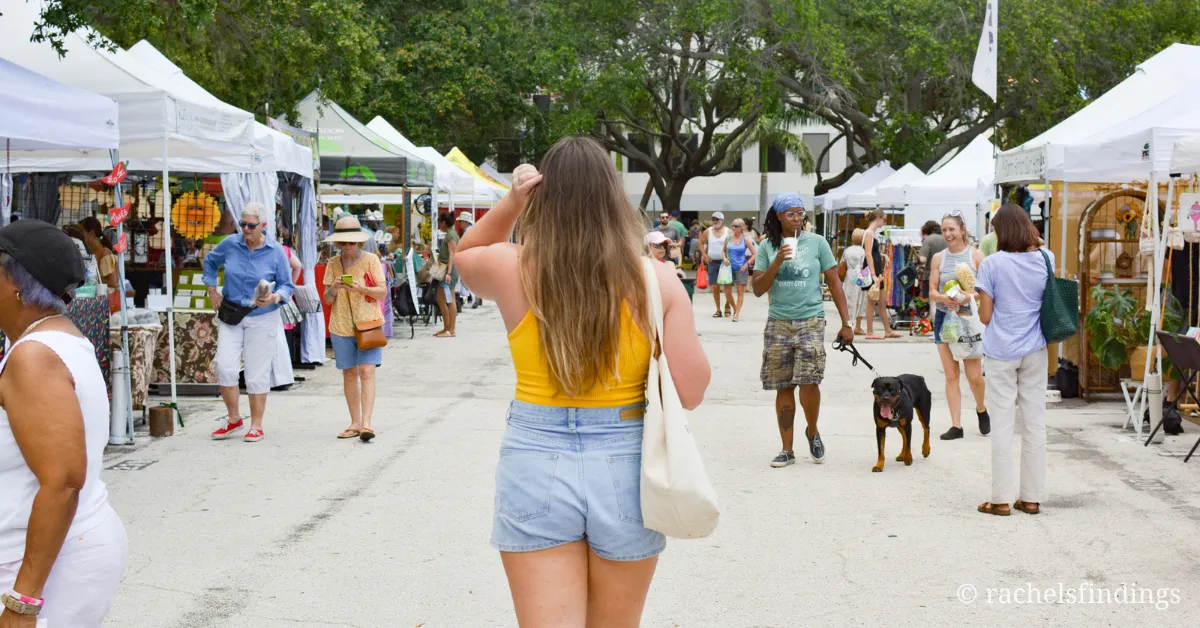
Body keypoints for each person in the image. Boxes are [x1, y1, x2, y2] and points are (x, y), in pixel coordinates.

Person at [456, 137, 711, 626]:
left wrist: (513, 200)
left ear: (543, 197)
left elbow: (468, 252)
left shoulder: (513, 267)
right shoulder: (655, 279)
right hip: (626, 459)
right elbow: (693, 391)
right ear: (615, 198)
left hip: (535, 455)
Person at [0, 220, 127, 626]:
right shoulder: (60, 338)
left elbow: (63, 480)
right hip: (61, 550)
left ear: (18, 286)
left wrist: (24, 600)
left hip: (43, 565)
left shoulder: (34, 356)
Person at [753, 193, 855, 467]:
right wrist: (777, 262)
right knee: (783, 386)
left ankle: (812, 431)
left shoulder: (818, 243)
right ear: (778, 216)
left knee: (810, 381)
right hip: (778, 321)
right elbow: (757, 289)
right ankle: (787, 449)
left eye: (800, 213)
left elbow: (834, 282)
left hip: (811, 318)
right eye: (791, 214)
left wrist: (847, 323)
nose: (797, 219)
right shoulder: (767, 247)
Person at [974, 204, 1052, 516]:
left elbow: (986, 316)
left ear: (1000, 232)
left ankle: (1001, 499)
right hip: (1035, 348)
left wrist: (976, 297)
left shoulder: (991, 264)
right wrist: (1035, 239)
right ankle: (1031, 498)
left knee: (1003, 425)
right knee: (1035, 423)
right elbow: (1041, 247)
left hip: (1001, 351)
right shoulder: (1047, 259)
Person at [202, 202, 296, 443]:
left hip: (262, 315)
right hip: (232, 312)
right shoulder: (230, 244)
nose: (245, 229)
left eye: (251, 225)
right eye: (242, 223)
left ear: (263, 225)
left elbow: (287, 285)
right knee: (225, 366)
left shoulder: (276, 252)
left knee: (256, 373)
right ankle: (234, 419)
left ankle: (256, 424)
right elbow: (210, 262)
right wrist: (213, 290)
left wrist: (275, 297)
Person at [322, 216, 387, 442]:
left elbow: (382, 292)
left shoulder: (371, 260)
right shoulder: (333, 264)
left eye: (351, 241)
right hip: (340, 325)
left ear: (358, 241)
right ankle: (355, 422)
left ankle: (367, 423)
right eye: (343, 242)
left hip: (368, 323)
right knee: (349, 373)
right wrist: (334, 288)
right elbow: (327, 300)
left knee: (367, 371)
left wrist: (362, 289)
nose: (347, 246)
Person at [928, 211, 990, 441]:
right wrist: (945, 298)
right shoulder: (938, 258)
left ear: (962, 230)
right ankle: (956, 425)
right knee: (951, 375)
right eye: (944, 230)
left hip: (968, 320)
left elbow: (985, 289)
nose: (947, 234)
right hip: (945, 320)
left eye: (952, 229)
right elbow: (932, 291)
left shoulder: (976, 256)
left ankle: (981, 408)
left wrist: (967, 296)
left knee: (974, 376)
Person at [861, 209, 900, 339]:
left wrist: (882, 256)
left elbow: (872, 252)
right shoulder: (869, 233)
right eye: (884, 219)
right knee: (872, 301)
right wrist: (873, 275)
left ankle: (887, 330)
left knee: (882, 301)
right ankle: (870, 331)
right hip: (873, 272)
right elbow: (867, 254)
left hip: (877, 272)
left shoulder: (872, 234)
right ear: (878, 218)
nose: (884, 222)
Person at [723, 218, 757, 322]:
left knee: (740, 292)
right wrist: (724, 259)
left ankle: (736, 314)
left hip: (741, 268)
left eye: (736, 226)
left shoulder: (745, 239)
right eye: (733, 226)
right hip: (728, 268)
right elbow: (723, 251)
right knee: (727, 292)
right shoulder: (728, 238)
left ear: (741, 228)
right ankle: (734, 308)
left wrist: (747, 264)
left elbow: (754, 253)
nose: (734, 228)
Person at [837, 228, 869, 335]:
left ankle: (847, 325)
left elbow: (842, 264)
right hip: (861, 275)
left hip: (850, 276)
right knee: (861, 300)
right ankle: (858, 327)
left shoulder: (847, 250)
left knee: (848, 300)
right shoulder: (864, 251)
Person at [699, 211, 731, 317]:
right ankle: (718, 309)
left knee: (727, 286)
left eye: (717, 219)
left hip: (725, 262)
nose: (715, 221)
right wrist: (705, 255)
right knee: (715, 286)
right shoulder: (708, 231)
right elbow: (701, 242)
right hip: (712, 262)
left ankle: (727, 305)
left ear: (722, 220)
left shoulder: (728, 231)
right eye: (713, 219)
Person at [434, 211, 459, 338]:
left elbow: (452, 255)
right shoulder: (452, 234)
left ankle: (450, 329)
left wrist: (448, 273)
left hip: (448, 272)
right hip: (447, 271)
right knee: (442, 299)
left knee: (449, 299)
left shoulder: (450, 236)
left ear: (444, 223)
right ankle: (447, 328)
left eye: (440, 222)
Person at [77, 217, 118, 293]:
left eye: (82, 234)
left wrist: (91, 280)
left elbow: (113, 282)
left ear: (91, 233)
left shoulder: (105, 254)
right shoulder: (90, 254)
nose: (80, 237)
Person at [917, 220, 946, 302]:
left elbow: (923, 259)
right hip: (945, 277)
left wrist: (917, 259)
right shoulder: (946, 238)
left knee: (932, 304)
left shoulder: (928, 240)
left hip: (930, 276)